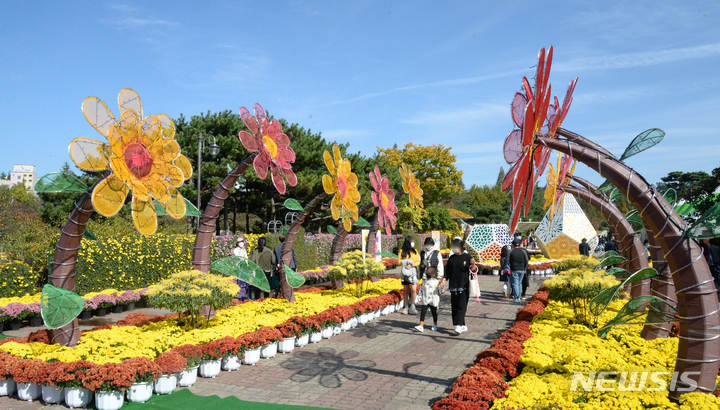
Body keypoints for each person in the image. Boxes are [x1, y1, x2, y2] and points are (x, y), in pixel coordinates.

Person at [446, 237, 473, 334]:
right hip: (453, 285)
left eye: (456, 246)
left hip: (464, 285)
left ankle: (458, 325)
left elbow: (473, 270)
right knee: (455, 305)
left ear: (461, 247)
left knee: (461, 306)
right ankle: (463, 325)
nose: (455, 248)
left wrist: (473, 264)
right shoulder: (452, 258)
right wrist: (443, 280)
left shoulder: (467, 257)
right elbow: (447, 271)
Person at [413, 267, 441, 333]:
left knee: (434, 313)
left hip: (433, 301)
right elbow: (421, 290)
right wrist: (419, 298)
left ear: (434, 274)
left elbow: (440, 291)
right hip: (425, 300)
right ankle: (421, 325)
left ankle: (435, 324)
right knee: (423, 312)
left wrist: (441, 288)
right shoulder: (424, 281)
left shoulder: (437, 282)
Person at [400, 236, 421, 314]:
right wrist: (406, 263)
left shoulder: (415, 251)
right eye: (412, 241)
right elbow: (399, 261)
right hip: (405, 272)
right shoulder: (401, 251)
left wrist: (412, 265)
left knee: (413, 289)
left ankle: (412, 305)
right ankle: (406, 307)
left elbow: (418, 261)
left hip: (413, 272)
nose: (413, 243)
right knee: (406, 290)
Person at [508, 239, 529, 304]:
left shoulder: (511, 251)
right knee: (519, 283)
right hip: (522, 270)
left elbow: (507, 260)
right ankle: (518, 297)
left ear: (513, 244)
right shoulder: (523, 251)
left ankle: (516, 297)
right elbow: (527, 260)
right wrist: (525, 269)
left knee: (515, 284)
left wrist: (503, 268)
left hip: (514, 269)